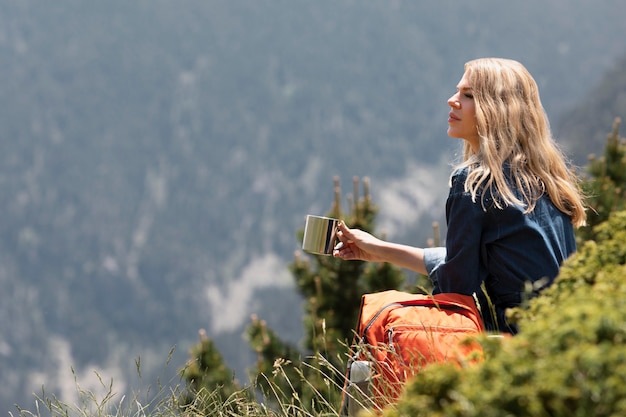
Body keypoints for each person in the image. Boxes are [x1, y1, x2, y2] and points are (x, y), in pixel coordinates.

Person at [333, 58, 586, 334]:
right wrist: (378, 249)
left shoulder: (475, 183)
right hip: (567, 336)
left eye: (468, 95)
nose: (452, 100)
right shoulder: (545, 178)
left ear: (497, 110)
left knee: (385, 319)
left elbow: (457, 289)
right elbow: (466, 262)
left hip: (516, 343)